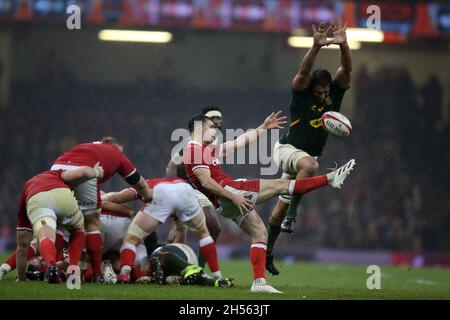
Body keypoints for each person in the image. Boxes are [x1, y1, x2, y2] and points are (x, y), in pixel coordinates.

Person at [183, 113, 355, 293]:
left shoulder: (205, 149)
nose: (215, 130)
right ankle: (330, 179)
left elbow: (238, 143)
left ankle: (259, 283)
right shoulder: (193, 150)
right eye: (211, 127)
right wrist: (235, 197)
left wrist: (262, 128)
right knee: (281, 185)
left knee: (259, 233)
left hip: (225, 200)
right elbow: (206, 182)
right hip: (230, 193)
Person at [266, 20, 353, 275]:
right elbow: (303, 73)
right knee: (311, 165)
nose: (323, 94)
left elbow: (347, 69)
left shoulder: (335, 93)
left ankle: (268, 253)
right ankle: (294, 215)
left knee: (279, 207)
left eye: (326, 91)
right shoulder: (302, 92)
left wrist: (344, 45)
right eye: (319, 91)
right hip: (287, 150)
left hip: (305, 156)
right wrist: (315, 47)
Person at [50, 136, 152, 282]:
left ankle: (50, 266)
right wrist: (147, 195)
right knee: (91, 223)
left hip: (56, 170)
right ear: (115, 146)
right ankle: (97, 273)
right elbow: (139, 183)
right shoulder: (116, 153)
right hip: (85, 171)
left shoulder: (84, 146)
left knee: (60, 225)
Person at [102, 177, 224, 283]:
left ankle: (124, 275)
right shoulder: (177, 199)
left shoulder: (145, 184)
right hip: (186, 190)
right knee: (204, 234)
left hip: (162, 192)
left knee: (131, 239)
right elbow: (180, 237)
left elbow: (116, 197)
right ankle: (218, 276)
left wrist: (101, 196)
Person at [15, 163, 105, 283]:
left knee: (45, 237)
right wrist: (97, 172)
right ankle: (73, 272)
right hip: (62, 196)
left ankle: (51, 266)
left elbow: (22, 248)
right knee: (77, 228)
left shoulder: (27, 187)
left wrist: (22, 278)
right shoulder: (56, 174)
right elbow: (84, 172)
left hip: (37, 200)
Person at [165, 106, 223, 267]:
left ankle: (199, 267)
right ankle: (160, 261)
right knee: (180, 229)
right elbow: (171, 165)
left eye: (219, 118)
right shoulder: (192, 143)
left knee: (213, 227)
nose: (217, 121)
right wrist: (173, 188)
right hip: (186, 188)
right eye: (213, 118)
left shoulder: (213, 140)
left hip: (198, 189)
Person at [148, 242, 234, 288]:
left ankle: (191, 269)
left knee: (157, 257)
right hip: (180, 259)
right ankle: (216, 282)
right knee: (167, 277)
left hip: (181, 252)